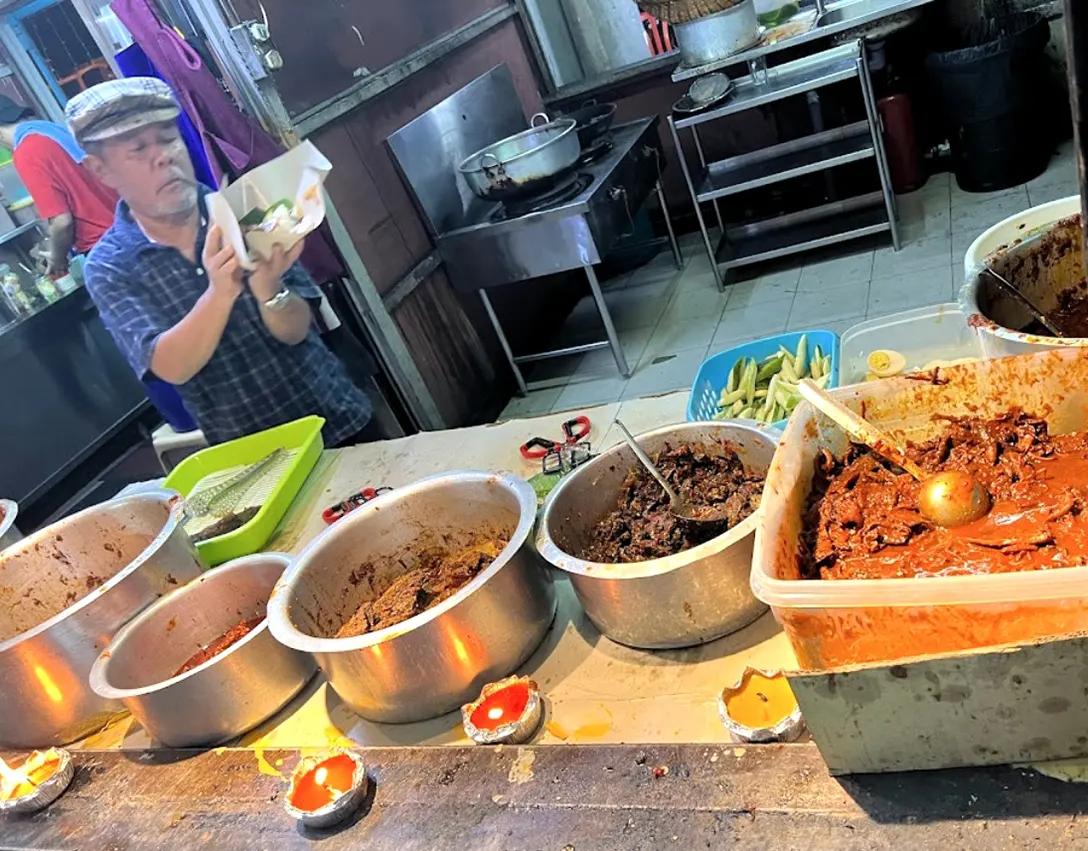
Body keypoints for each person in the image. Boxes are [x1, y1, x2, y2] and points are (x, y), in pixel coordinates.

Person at [69, 77, 375, 447]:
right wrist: (220, 293)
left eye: (168, 138)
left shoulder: (242, 207)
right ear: (100, 171)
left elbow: (298, 330)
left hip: (338, 421)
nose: (164, 156)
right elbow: (172, 366)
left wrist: (269, 291)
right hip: (254, 459)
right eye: (137, 149)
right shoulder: (109, 265)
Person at [0, 97, 118, 276]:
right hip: (133, 226)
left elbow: (62, 221)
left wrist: (57, 257)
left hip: (106, 249)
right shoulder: (53, 130)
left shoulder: (26, 151)